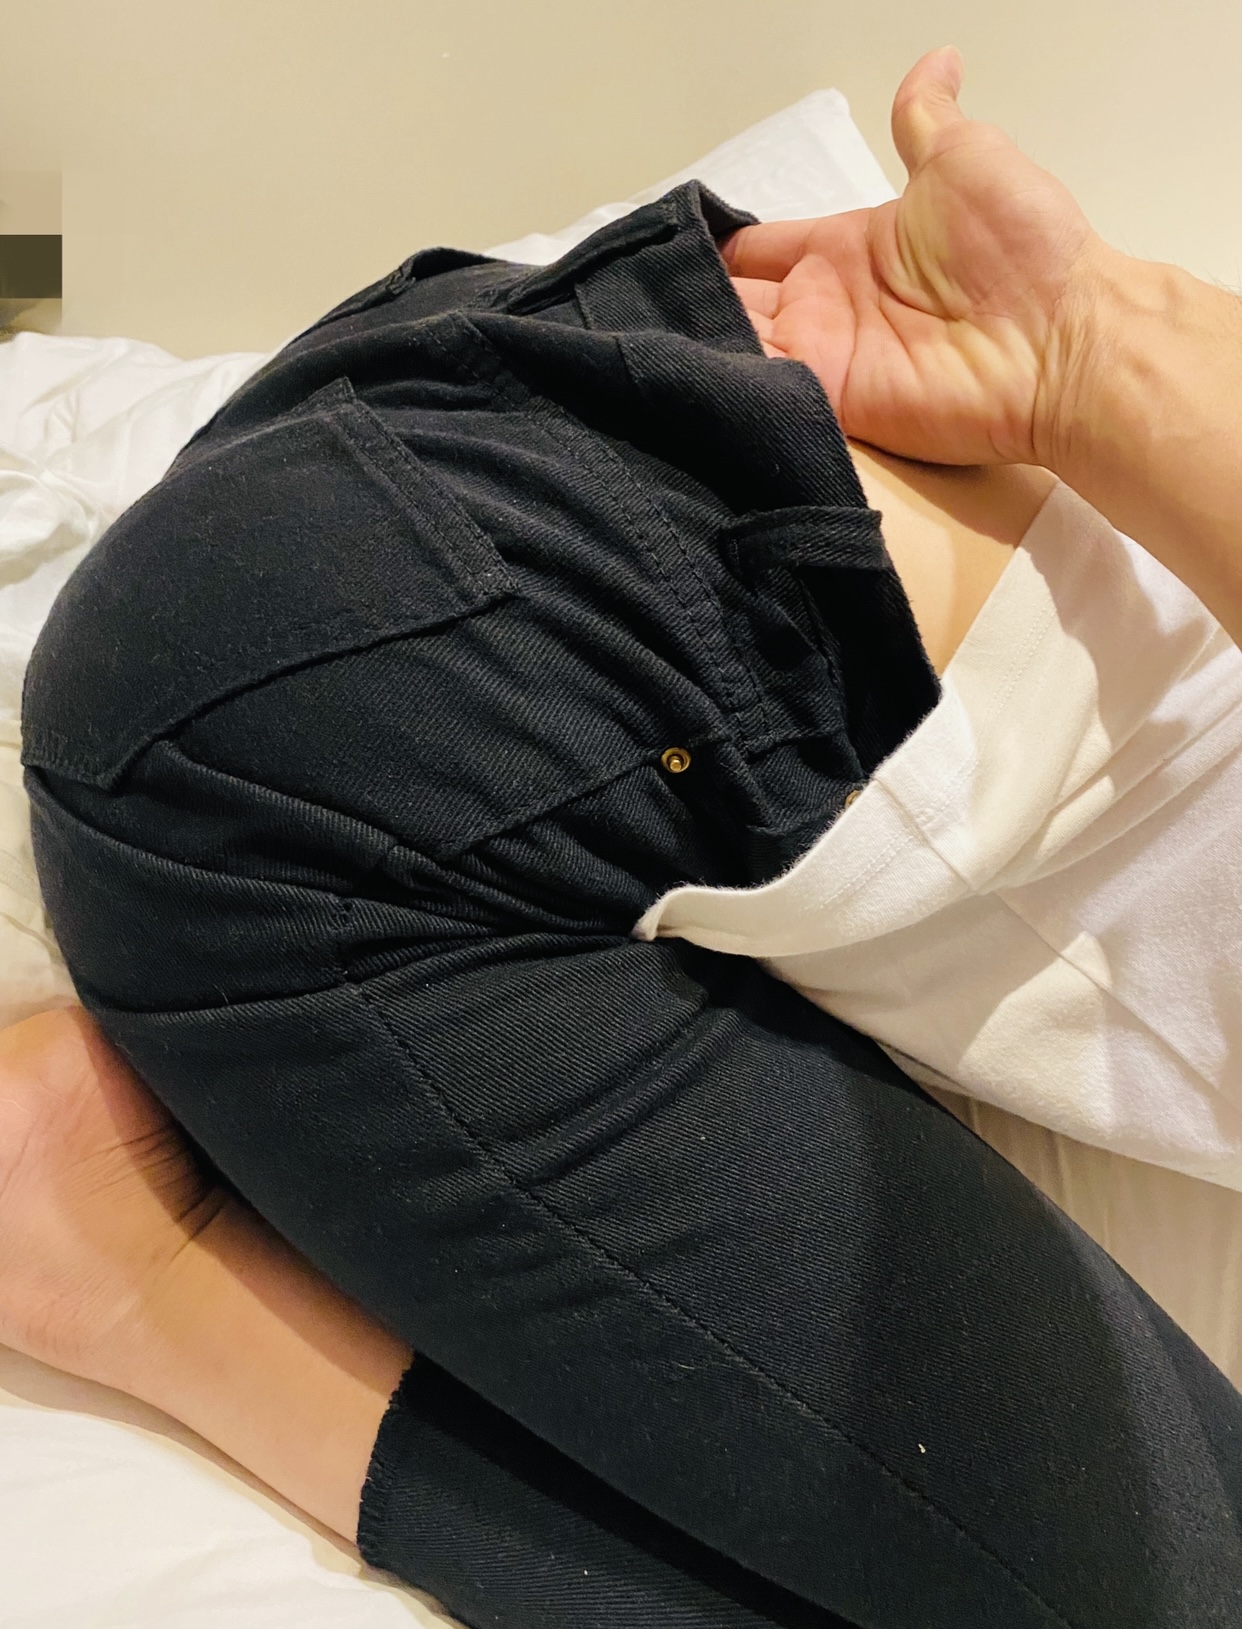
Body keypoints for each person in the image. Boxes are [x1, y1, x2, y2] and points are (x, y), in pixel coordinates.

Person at [5, 45, 1242, 1629]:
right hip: (447, 703)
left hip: (603, 367)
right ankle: (155, 1280)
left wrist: (1103, 342)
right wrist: (1091, 354)